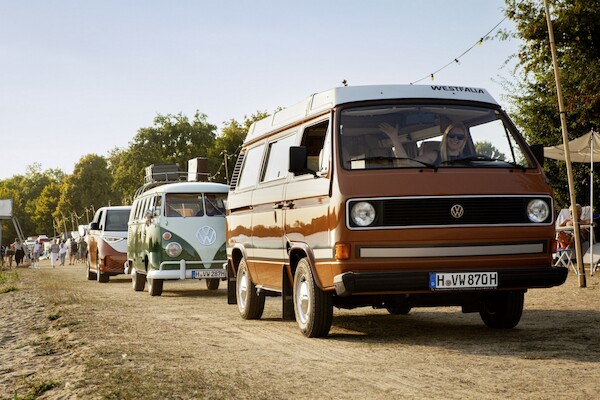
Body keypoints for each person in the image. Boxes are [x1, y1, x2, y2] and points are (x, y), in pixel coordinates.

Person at [379, 122, 475, 165]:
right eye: (452, 135)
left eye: (460, 137)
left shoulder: (469, 160)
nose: (455, 139)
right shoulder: (434, 156)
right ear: (446, 136)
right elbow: (407, 164)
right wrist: (394, 138)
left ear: (464, 140)